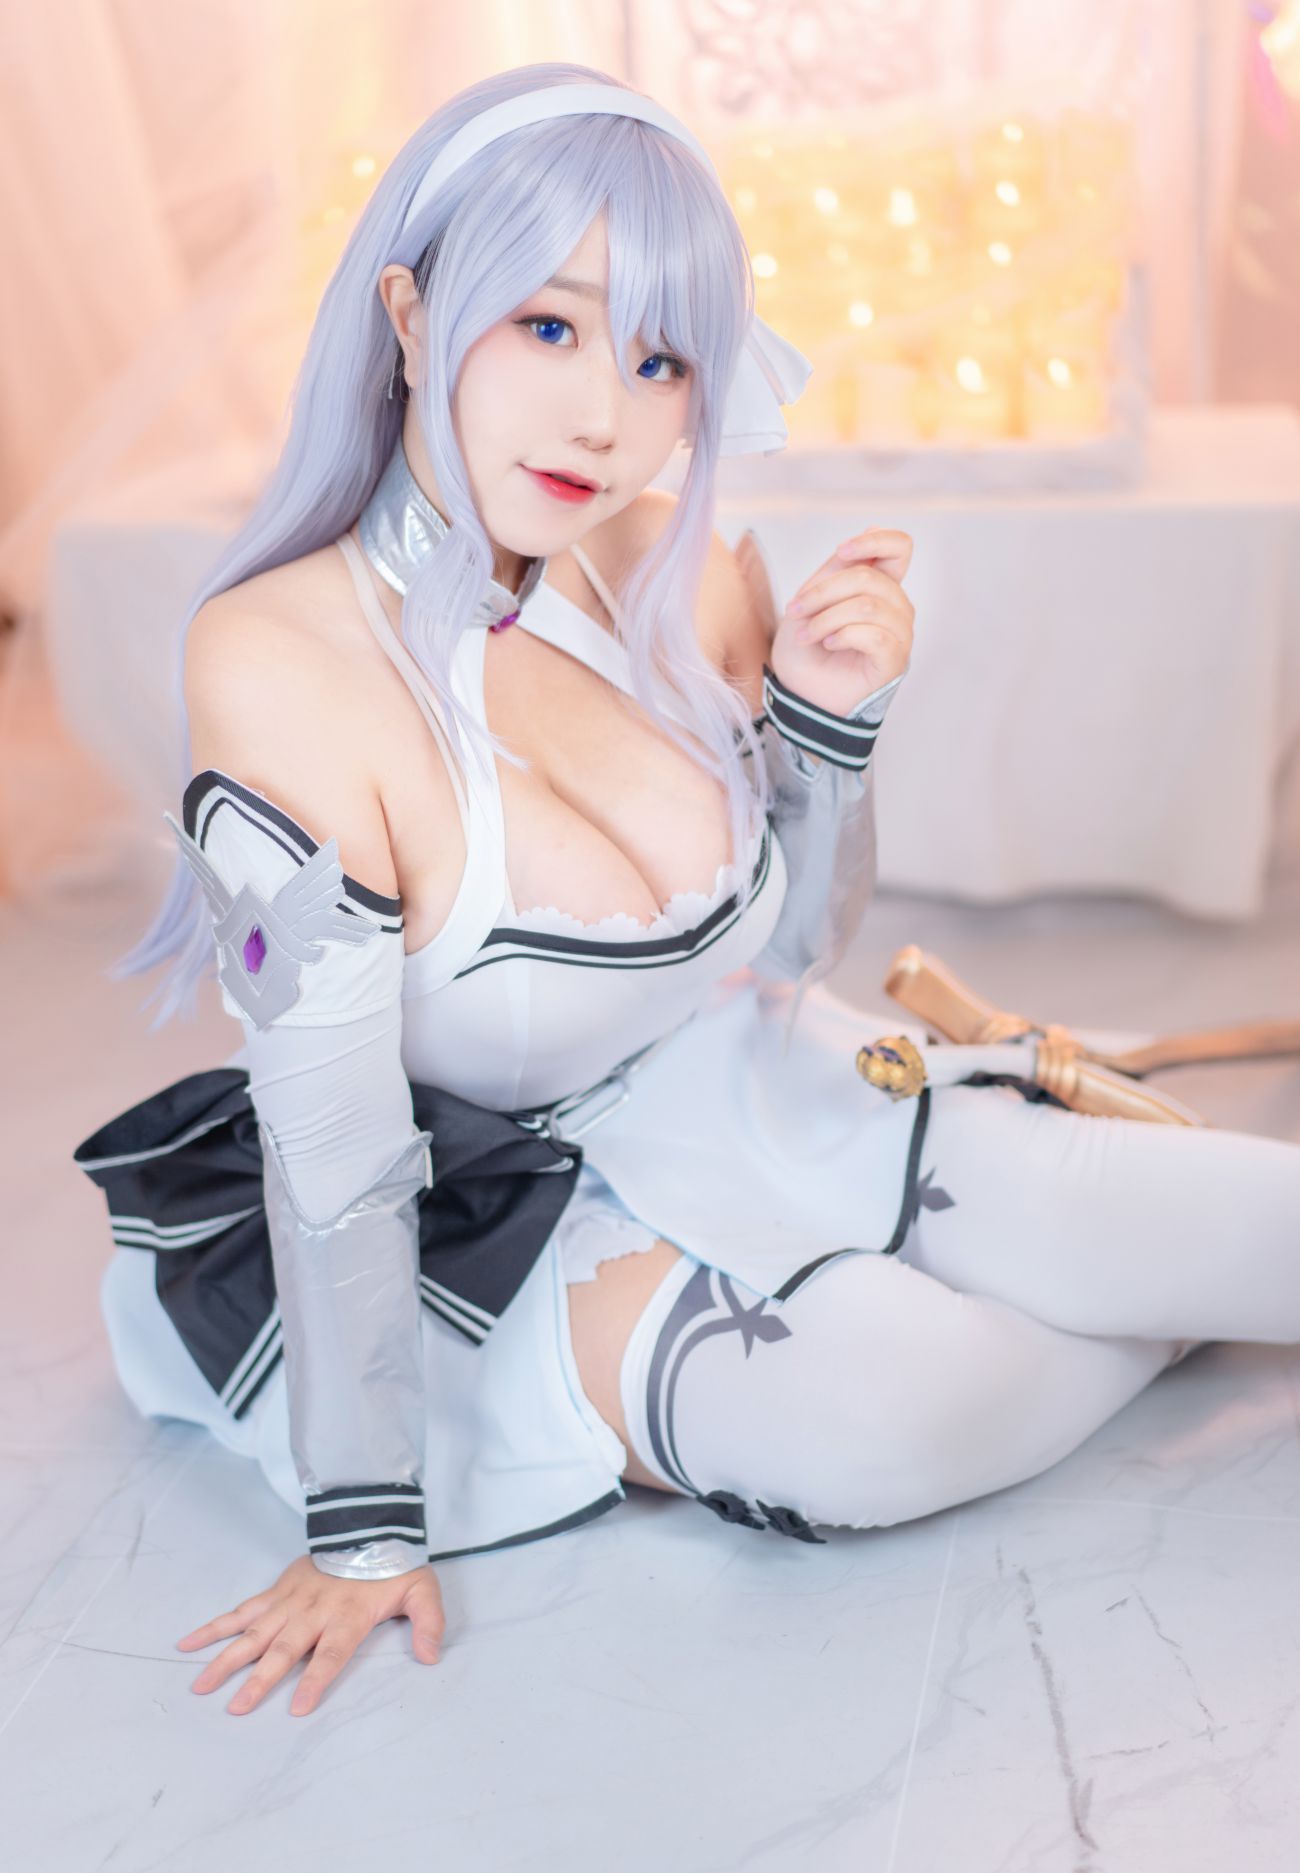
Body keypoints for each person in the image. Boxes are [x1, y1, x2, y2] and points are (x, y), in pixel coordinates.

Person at [74, 64, 1300, 1721]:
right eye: (550, 326)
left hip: (750, 1080)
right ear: (412, 314)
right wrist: (363, 1530)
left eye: (661, 359)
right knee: (883, 1424)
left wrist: (827, 726)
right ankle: (1129, 1297)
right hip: (499, 1201)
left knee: (1261, 1228)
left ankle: (1112, 1259)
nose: (606, 415)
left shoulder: (665, 558)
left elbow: (783, 950)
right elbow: (341, 1150)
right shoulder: (278, 656)